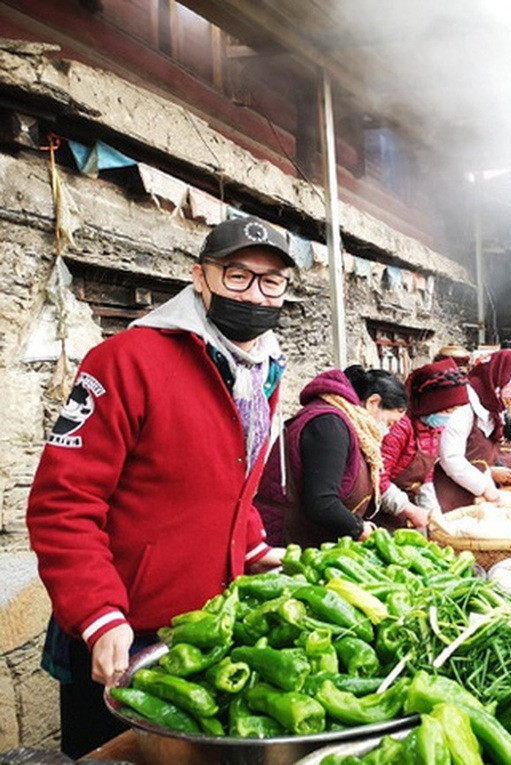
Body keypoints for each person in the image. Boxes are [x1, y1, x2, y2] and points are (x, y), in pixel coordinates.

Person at [27, 216, 294, 757]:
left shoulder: (258, 370)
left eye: (272, 282)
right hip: (123, 631)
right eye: (237, 276)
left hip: (205, 628)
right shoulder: (125, 361)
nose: (256, 294)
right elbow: (63, 504)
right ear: (200, 276)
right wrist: (99, 613)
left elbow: (229, 478)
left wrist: (253, 544)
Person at [256, 365, 423, 547]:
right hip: (290, 538)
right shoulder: (329, 425)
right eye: (390, 423)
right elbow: (322, 503)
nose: (388, 431)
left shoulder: (349, 425)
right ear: (373, 402)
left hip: (312, 538)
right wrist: (362, 530)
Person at [435, 349, 511, 511]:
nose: (507, 405)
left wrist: (487, 481)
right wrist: (485, 487)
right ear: (496, 387)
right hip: (451, 496)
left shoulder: (492, 408)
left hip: (477, 497)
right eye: (507, 400)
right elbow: (451, 458)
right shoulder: (463, 406)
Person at [381, 358, 469, 520]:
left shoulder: (433, 429)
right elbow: (379, 478)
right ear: (432, 404)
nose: (448, 417)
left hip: (409, 505)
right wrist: (410, 510)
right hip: (386, 510)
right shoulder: (400, 428)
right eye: (447, 410)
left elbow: (426, 477)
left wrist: (433, 514)